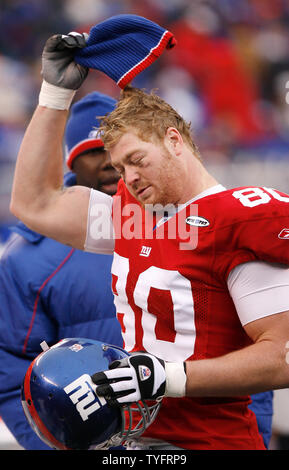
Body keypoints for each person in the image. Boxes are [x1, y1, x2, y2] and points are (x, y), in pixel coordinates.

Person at [9, 32, 289, 451]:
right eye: (121, 168)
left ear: (175, 141)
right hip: (133, 440)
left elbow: (281, 356)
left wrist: (167, 377)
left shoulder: (239, 217)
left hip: (213, 440)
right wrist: (55, 93)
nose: (129, 179)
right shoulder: (134, 212)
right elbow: (34, 203)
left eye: (137, 160)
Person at [0, 91, 122, 450]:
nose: (108, 162)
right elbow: (12, 375)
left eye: (115, 148)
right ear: (72, 163)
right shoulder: (29, 257)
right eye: (93, 151)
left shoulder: (186, 229)